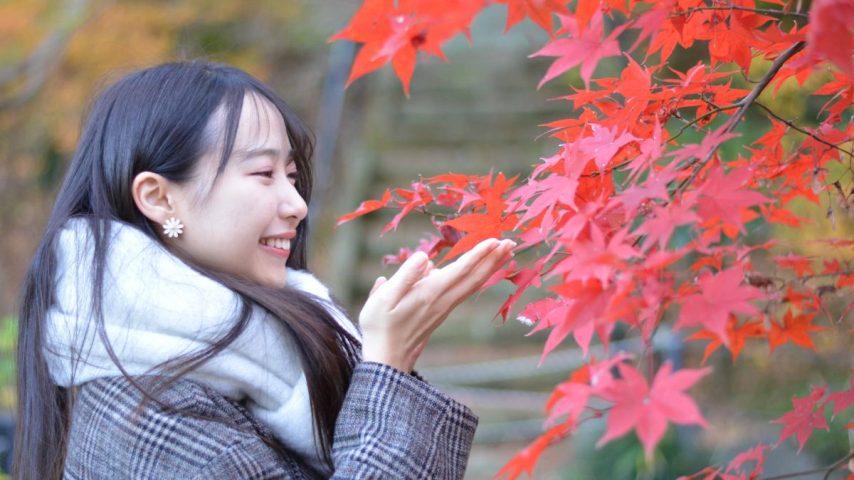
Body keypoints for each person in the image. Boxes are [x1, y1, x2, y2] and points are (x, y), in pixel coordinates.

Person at [12, 61, 514, 479]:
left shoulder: (238, 351)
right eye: (263, 174)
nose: (296, 204)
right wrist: (386, 366)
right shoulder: (139, 411)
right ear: (159, 198)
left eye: (292, 176)